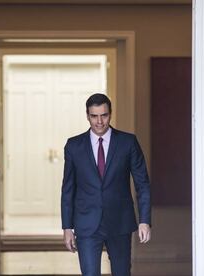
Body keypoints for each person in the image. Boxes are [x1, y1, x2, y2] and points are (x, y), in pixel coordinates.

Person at [61, 93, 151, 276]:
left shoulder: (128, 142)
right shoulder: (73, 146)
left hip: (120, 222)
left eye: (104, 115)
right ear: (87, 115)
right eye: (94, 116)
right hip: (86, 223)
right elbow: (68, 189)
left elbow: (143, 184)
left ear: (111, 114)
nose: (99, 121)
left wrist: (144, 220)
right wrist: (67, 227)